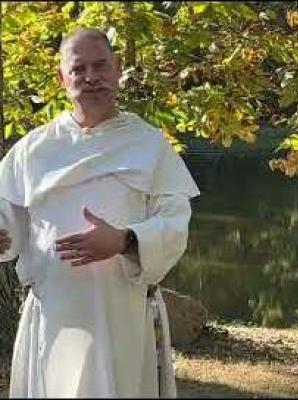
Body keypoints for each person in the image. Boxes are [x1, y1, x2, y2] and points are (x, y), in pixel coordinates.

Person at [0, 27, 200, 398]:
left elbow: (175, 225)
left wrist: (125, 241)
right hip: (54, 317)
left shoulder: (149, 144)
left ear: (117, 68)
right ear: (62, 78)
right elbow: (7, 229)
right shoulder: (32, 149)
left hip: (123, 317)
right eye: (78, 68)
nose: (91, 77)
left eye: (100, 65)